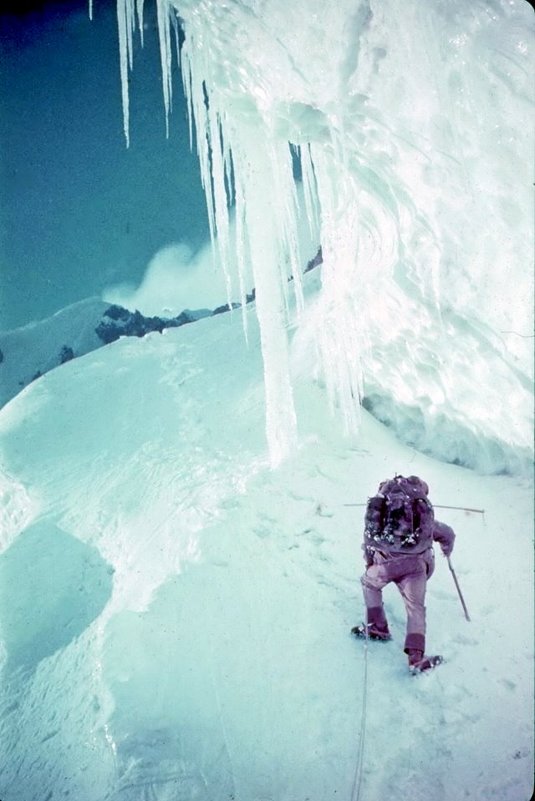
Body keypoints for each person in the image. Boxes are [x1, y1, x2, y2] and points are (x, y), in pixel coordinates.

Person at [352, 475, 455, 673]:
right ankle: (416, 658)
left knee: (369, 583)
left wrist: (370, 564)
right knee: (415, 607)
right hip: (416, 567)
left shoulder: (382, 517)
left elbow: (369, 544)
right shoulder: (423, 521)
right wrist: (446, 549)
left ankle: (377, 626)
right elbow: (448, 534)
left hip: (385, 564)